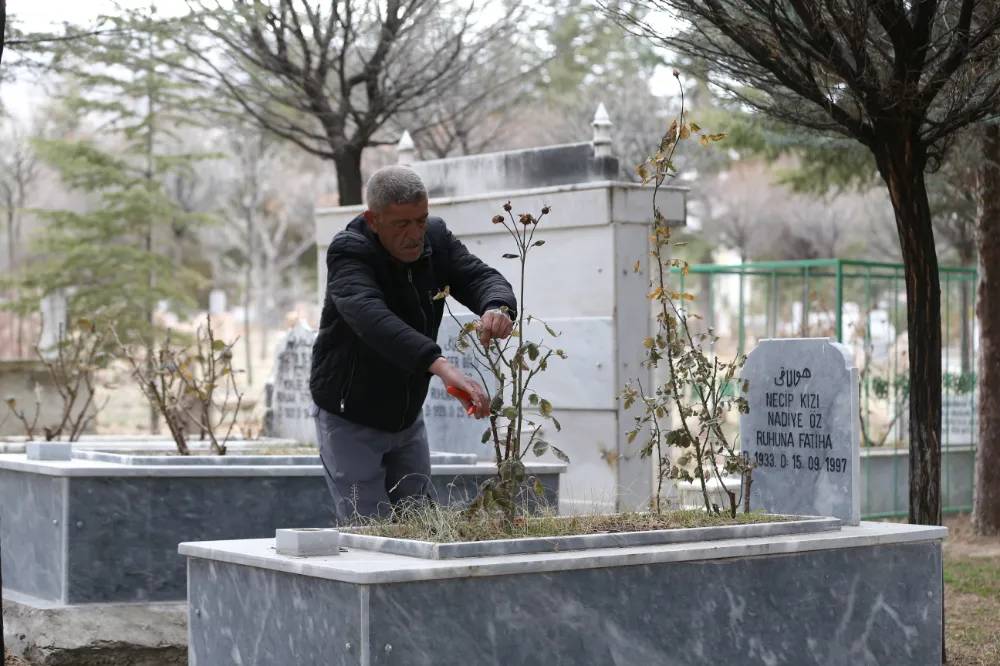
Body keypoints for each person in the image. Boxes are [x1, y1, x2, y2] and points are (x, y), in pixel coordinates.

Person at [309, 165, 516, 524]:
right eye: (401, 225)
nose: (415, 235)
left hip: (406, 419)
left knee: (421, 524)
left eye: (420, 220)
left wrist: (497, 307)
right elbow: (373, 319)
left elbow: (479, 277)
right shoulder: (349, 253)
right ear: (372, 220)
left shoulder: (436, 237)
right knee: (369, 530)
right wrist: (441, 366)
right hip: (349, 418)